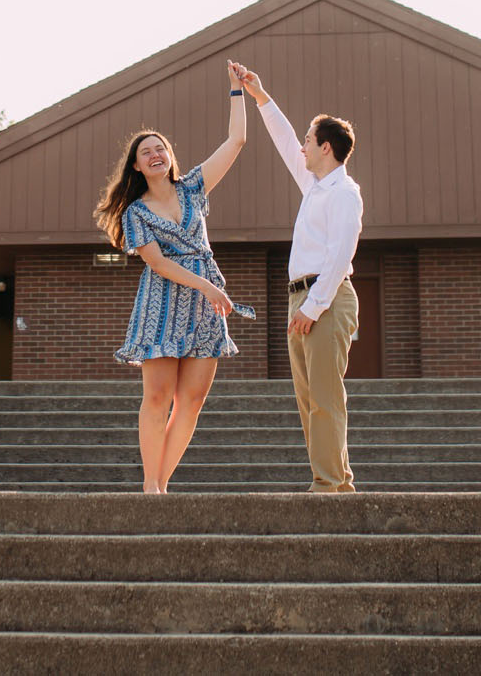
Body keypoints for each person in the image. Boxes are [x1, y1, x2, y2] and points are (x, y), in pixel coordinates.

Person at [95, 64, 250, 493]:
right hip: (162, 304)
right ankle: (149, 484)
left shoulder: (193, 187)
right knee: (158, 398)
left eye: (159, 146)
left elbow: (236, 141)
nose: (155, 152)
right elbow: (159, 264)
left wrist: (237, 91)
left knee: (192, 401)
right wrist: (208, 286)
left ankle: (162, 484)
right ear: (137, 166)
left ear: (169, 155)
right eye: (146, 151)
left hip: (204, 307)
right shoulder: (136, 212)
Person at [229, 61, 363, 492]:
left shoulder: (344, 192)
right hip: (300, 300)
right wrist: (260, 96)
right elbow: (285, 140)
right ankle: (336, 483)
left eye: (310, 141)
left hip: (325, 298)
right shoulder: (315, 186)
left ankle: (327, 486)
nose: (302, 147)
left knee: (325, 398)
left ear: (326, 147)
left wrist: (312, 306)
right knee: (309, 402)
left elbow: (341, 255)